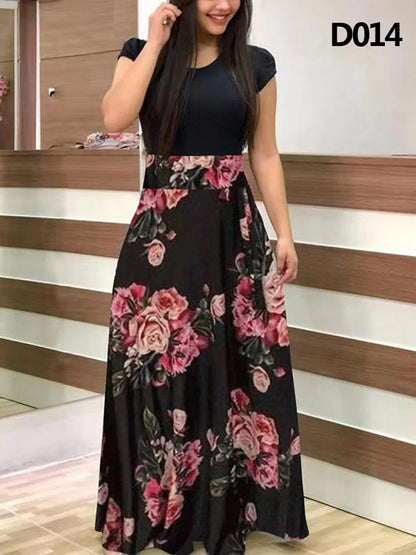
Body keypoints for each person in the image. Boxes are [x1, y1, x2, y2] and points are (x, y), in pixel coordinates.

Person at [95, 1, 309, 554]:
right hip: (160, 240)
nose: (224, 4)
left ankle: (221, 510)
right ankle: (160, 509)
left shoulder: (255, 64)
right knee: (154, 373)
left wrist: (284, 232)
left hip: (231, 236)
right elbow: (115, 118)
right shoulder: (142, 53)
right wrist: (155, 42)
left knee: (231, 370)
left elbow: (264, 153)